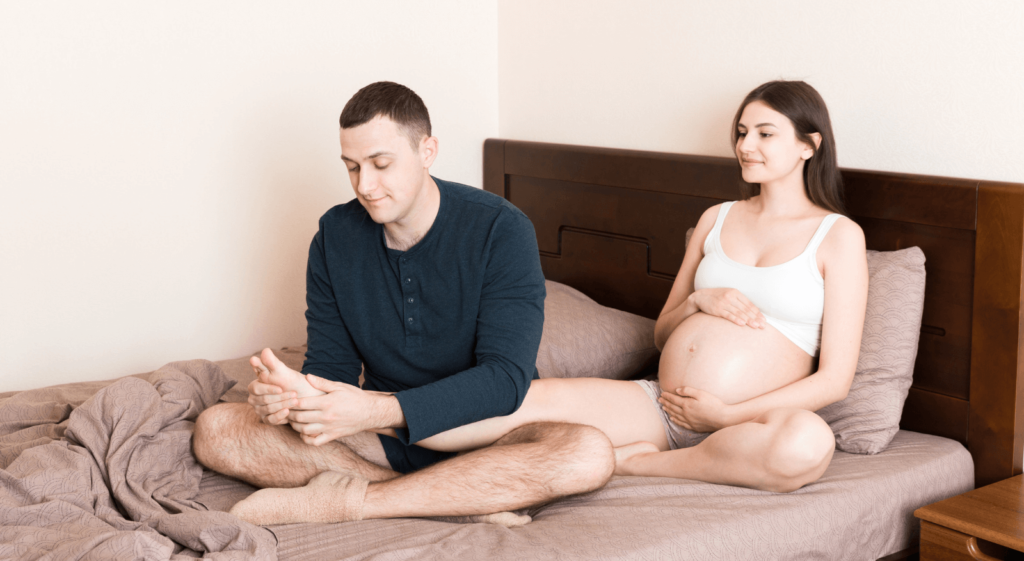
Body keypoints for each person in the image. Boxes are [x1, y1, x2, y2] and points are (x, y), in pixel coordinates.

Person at [403, 79, 869, 493]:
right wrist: (698, 302)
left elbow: (834, 380)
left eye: (766, 134)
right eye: (742, 133)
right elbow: (662, 333)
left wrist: (724, 416)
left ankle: (643, 465)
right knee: (511, 401)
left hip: (749, 424)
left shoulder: (839, 236)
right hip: (661, 407)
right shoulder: (717, 218)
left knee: (807, 444)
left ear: (810, 145)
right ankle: (371, 413)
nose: (747, 145)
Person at [192, 81, 615, 526]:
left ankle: (358, 499)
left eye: (380, 164)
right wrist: (293, 400)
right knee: (216, 430)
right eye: (352, 167)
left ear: (427, 150)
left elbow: (504, 381)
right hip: (384, 439)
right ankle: (456, 502)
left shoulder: (501, 230)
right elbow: (331, 373)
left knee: (589, 455)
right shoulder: (334, 238)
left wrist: (374, 408)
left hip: (489, 434)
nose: (365, 185)